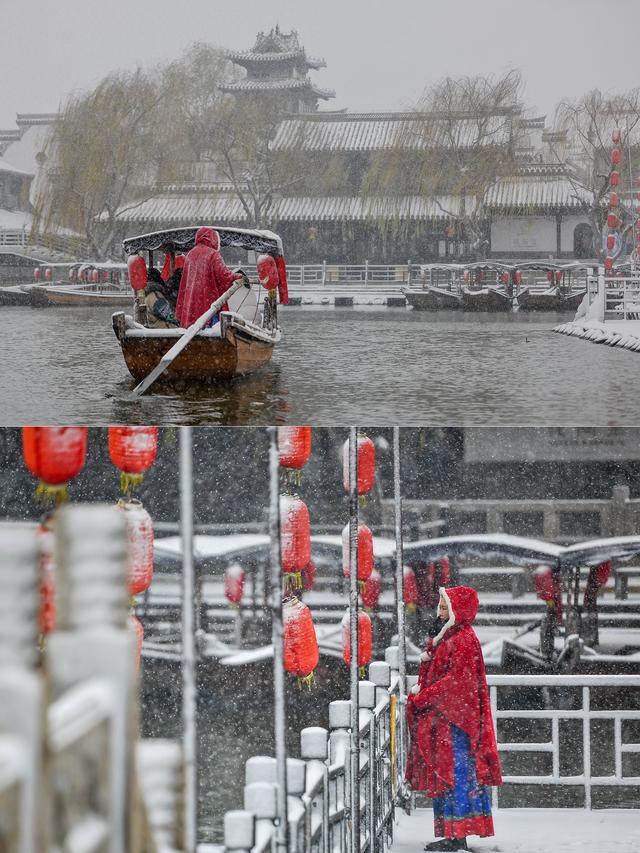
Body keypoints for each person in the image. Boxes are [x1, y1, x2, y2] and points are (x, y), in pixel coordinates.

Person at [406, 586, 502, 852]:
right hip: (449, 719)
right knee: (452, 776)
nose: (440, 610)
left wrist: (424, 695)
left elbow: (455, 683)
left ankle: (456, 834)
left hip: (456, 723)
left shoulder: (462, 639)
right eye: (440, 605)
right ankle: (452, 832)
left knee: (456, 775)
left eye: (445, 605)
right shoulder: (452, 636)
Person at [175, 227, 243, 328]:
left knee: (195, 327)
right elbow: (224, 275)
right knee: (211, 326)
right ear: (212, 238)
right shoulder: (213, 254)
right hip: (208, 300)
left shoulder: (190, 254)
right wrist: (237, 276)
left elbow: (185, 283)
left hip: (192, 303)